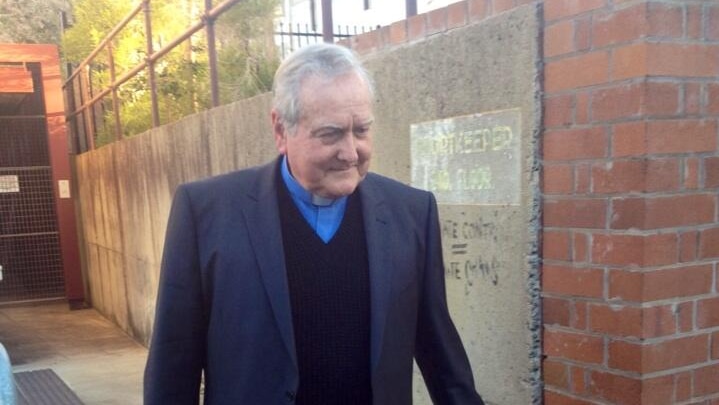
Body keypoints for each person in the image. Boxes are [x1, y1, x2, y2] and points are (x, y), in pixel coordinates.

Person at [144, 42, 483, 405]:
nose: (351, 152)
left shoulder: (413, 214)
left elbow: (441, 358)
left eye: (362, 130)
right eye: (331, 133)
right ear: (280, 130)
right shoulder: (206, 213)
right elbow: (172, 367)